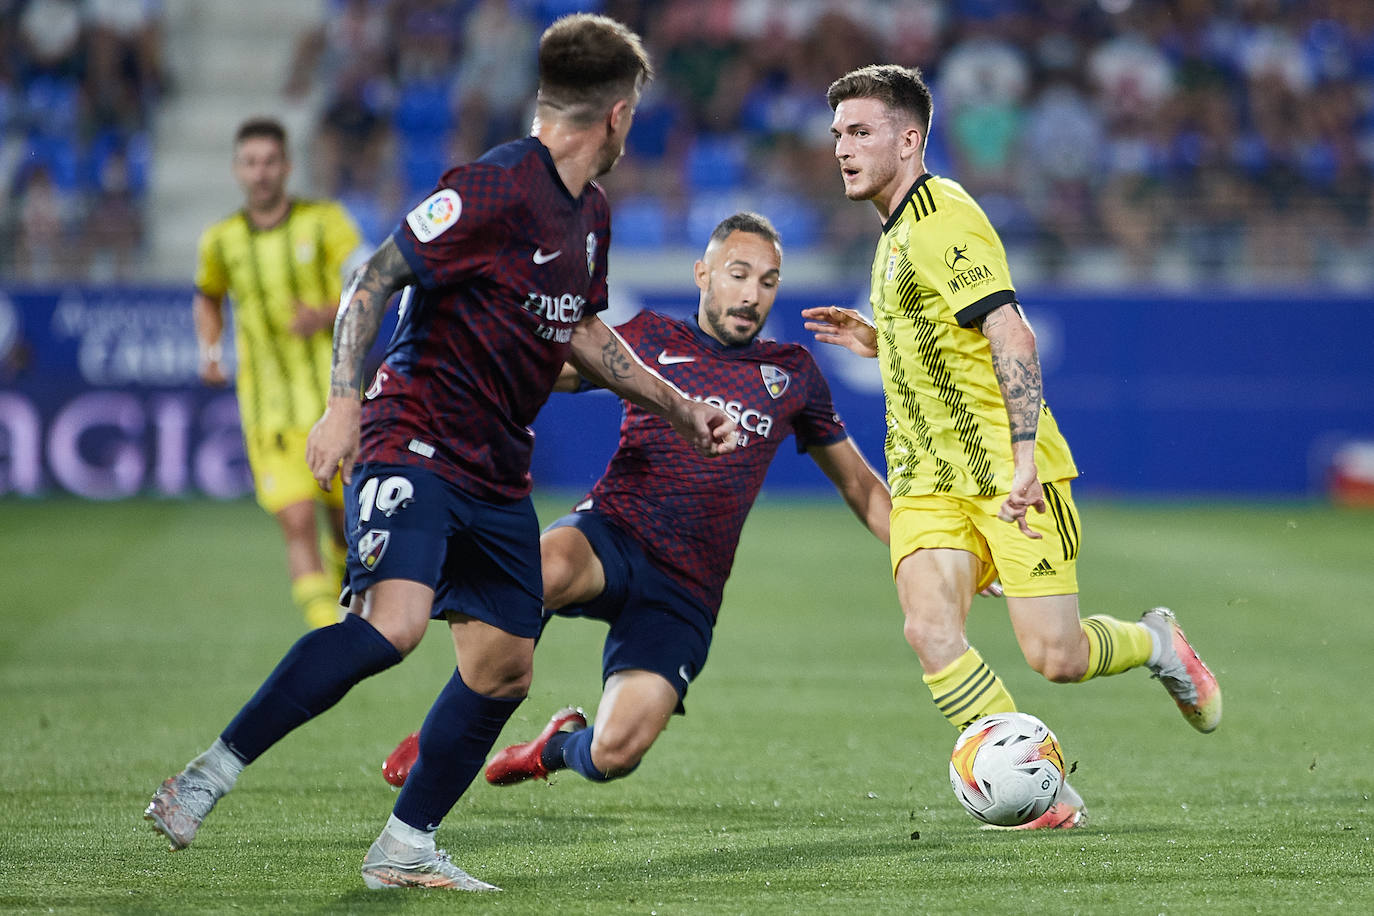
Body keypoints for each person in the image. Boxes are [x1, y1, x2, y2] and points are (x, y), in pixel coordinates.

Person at [144, 14, 736, 892]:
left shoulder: (592, 217)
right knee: (395, 623)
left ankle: (404, 847)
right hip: (411, 432)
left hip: (496, 467)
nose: (632, 127)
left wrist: (679, 406)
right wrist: (344, 403)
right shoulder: (495, 186)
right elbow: (373, 276)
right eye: (634, 112)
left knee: (505, 667)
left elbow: (580, 330)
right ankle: (209, 774)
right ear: (617, 114)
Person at [802, 64, 1222, 830]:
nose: (842, 148)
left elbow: (1008, 330)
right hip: (928, 482)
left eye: (860, 132)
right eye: (837, 134)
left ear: (909, 138)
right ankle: (1042, 788)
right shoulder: (895, 230)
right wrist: (880, 340)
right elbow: (947, 332)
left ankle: (1157, 643)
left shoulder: (941, 216)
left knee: (1055, 658)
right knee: (929, 628)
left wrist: (1026, 456)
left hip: (1005, 474)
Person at [378, 211, 893, 792]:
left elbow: (860, 485)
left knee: (615, 753)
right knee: (532, 573)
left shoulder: (792, 374)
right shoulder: (650, 337)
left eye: (767, 281)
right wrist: (464, 357)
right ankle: (443, 735)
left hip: (686, 589)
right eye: (738, 274)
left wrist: (924, 552)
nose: (751, 295)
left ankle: (554, 747)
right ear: (703, 274)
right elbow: (547, 373)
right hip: (612, 532)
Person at [192, 117, 367, 629]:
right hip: (267, 406)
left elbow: (371, 283)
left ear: (287, 166)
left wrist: (324, 312)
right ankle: (325, 633)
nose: (261, 172)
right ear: (237, 170)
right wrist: (209, 350)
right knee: (294, 519)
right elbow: (207, 297)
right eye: (251, 162)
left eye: (270, 161)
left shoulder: (326, 221)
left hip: (333, 402)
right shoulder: (220, 240)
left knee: (341, 524)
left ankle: (341, 601)